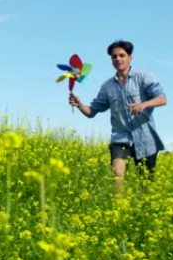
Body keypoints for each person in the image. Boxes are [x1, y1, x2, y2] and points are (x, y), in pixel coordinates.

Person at [69, 40, 167, 192]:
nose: (118, 59)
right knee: (117, 175)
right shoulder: (107, 86)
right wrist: (79, 104)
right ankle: (119, 208)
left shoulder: (144, 77)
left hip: (145, 139)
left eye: (122, 55)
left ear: (130, 58)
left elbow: (162, 99)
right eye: (114, 57)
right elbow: (92, 112)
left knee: (147, 185)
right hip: (120, 138)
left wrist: (143, 104)